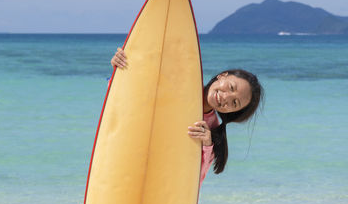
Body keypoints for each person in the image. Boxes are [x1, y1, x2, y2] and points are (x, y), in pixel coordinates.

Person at [111, 48, 264, 186]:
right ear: (222, 76)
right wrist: (121, 69)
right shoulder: (178, 86)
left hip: (157, 185)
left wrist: (206, 145)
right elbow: (129, 101)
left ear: (232, 111)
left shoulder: (211, 132)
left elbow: (193, 182)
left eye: (234, 103)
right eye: (231, 87)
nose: (226, 98)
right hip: (128, 167)